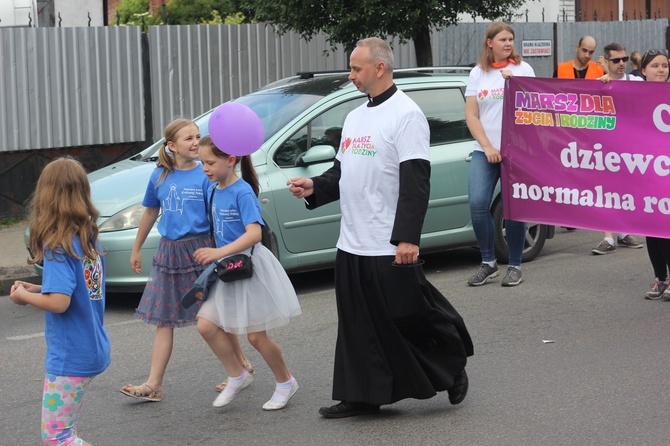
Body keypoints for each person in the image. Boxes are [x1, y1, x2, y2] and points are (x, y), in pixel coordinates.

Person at [289, 37, 473, 418]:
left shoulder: (406, 115)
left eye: (356, 68)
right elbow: (343, 171)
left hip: (387, 242)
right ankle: (362, 395)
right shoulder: (356, 117)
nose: (350, 74)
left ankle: (452, 366)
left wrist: (407, 237)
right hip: (352, 240)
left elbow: (416, 181)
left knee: (409, 315)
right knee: (357, 324)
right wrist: (315, 187)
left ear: (380, 68)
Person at [120, 119, 251, 401]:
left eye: (197, 136)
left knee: (217, 314)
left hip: (202, 250)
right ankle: (153, 384)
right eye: (188, 138)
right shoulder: (159, 177)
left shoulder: (207, 175)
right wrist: (136, 248)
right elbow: (149, 213)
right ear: (171, 146)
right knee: (163, 320)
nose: (194, 142)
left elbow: (220, 211)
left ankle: (241, 366)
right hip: (169, 253)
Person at [194, 136, 302, 410]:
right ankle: (237, 373)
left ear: (231, 160)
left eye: (209, 162)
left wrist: (218, 253)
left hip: (248, 269)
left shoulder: (242, 192)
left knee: (256, 336)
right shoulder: (213, 189)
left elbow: (254, 234)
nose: (205, 168)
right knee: (206, 325)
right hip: (226, 271)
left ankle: (285, 382)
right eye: (202, 162)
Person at [10, 157, 111, 446]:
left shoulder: (56, 245)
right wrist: (36, 288)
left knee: (58, 437)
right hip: (92, 345)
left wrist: (23, 296)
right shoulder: (87, 238)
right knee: (65, 433)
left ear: (45, 195)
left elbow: (59, 303)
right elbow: (74, 289)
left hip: (71, 356)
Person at [464, 22, 535, 287]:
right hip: (485, 150)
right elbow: (471, 115)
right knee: (477, 204)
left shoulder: (522, 69)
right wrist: (487, 147)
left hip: (516, 151)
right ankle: (488, 262)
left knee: (514, 209)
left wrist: (514, 83)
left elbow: (533, 107)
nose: (508, 43)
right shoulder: (477, 73)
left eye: (511, 39)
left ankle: (515, 265)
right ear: (489, 43)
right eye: (503, 39)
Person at [590, 43, 644, 255]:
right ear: (606, 61)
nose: (621, 63)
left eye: (624, 59)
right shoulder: (597, 84)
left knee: (626, 191)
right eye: (616, 60)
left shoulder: (636, 81)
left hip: (631, 147)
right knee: (605, 191)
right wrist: (602, 88)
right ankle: (608, 238)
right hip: (606, 147)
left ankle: (623, 233)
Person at [637, 49, 670, 299]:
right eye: (656, 66)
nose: (661, 70)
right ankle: (660, 277)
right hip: (643, 170)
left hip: (665, 171)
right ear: (643, 70)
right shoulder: (631, 94)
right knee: (651, 227)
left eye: (665, 66)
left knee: (665, 226)